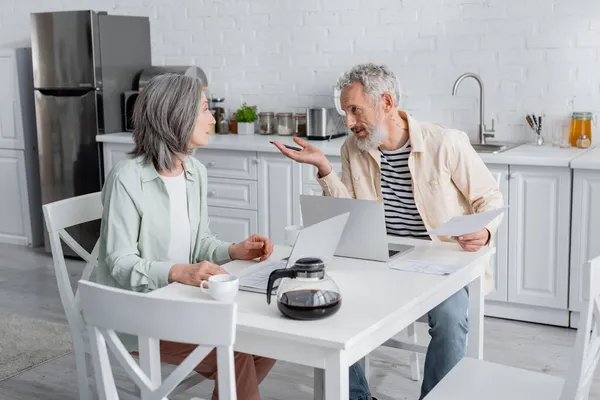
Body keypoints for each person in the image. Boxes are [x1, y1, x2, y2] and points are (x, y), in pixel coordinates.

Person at [274, 63, 503, 400]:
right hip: (380, 256)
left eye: (355, 110)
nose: (349, 122)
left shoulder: (446, 143)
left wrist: (484, 231)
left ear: (386, 102)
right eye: (345, 112)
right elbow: (349, 211)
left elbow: (489, 197)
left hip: (441, 262)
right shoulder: (354, 148)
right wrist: (323, 168)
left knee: (451, 319)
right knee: (326, 299)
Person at [96, 73, 276, 400]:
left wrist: (235, 250)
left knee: (270, 341)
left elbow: (200, 244)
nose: (212, 119)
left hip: (180, 303)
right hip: (136, 313)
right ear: (176, 116)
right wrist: (179, 272)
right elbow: (119, 262)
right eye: (205, 110)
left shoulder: (194, 172)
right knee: (235, 355)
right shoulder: (127, 178)